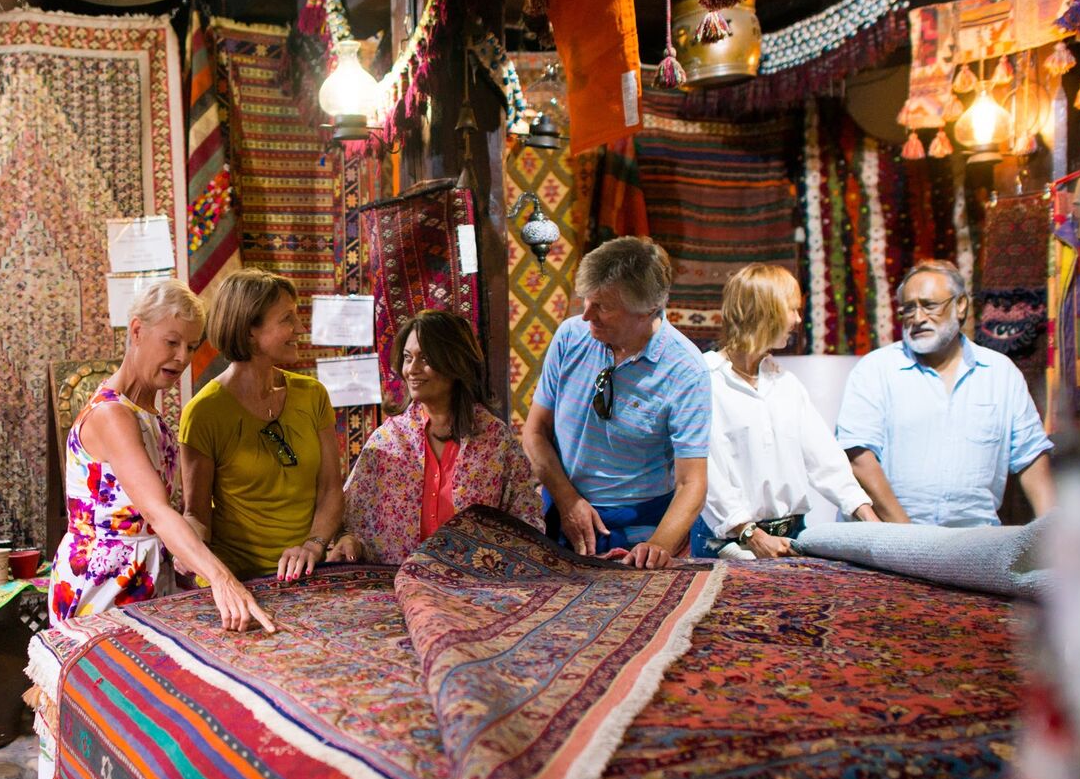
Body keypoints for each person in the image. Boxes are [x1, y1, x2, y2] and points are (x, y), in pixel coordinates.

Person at [50, 278, 274, 633]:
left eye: (191, 346)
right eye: (171, 342)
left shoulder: (149, 416)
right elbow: (156, 510)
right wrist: (222, 578)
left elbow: (158, 518)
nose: (183, 357)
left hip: (148, 577)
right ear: (137, 331)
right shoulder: (112, 415)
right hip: (103, 585)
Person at [521, 236, 711, 569]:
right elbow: (535, 432)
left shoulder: (685, 371)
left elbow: (691, 482)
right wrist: (568, 501)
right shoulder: (570, 337)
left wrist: (657, 546)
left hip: (638, 531)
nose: (586, 315)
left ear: (647, 310)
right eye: (586, 300)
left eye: (603, 306)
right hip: (561, 515)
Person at [836, 261, 1055, 527]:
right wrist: (909, 538)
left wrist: (1054, 534)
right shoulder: (876, 370)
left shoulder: (1000, 374)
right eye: (908, 309)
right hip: (888, 540)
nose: (917, 318)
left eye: (929, 305)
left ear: (961, 305)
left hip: (972, 544)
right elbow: (858, 459)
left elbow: (1031, 457)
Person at [330, 310, 542, 564]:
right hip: (397, 584)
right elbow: (351, 518)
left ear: (455, 362)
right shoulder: (388, 440)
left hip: (478, 586)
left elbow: (527, 518)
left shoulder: (495, 440)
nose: (412, 370)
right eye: (408, 358)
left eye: (426, 358)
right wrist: (349, 541)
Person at [701, 263, 880, 559]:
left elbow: (825, 459)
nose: (798, 320)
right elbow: (706, 474)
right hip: (728, 544)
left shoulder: (784, 383)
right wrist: (750, 533)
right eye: (792, 309)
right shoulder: (706, 381)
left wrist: (867, 516)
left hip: (791, 538)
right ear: (764, 311)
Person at [181, 270, 344, 582]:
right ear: (248, 331)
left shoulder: (312, 395)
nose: (300, 328)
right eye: (287, 319)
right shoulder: (203, 413)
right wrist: (189, 553)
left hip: (308, 571)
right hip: (239, 579)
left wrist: (313, 547)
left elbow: (331, 490)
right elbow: (197, 515)